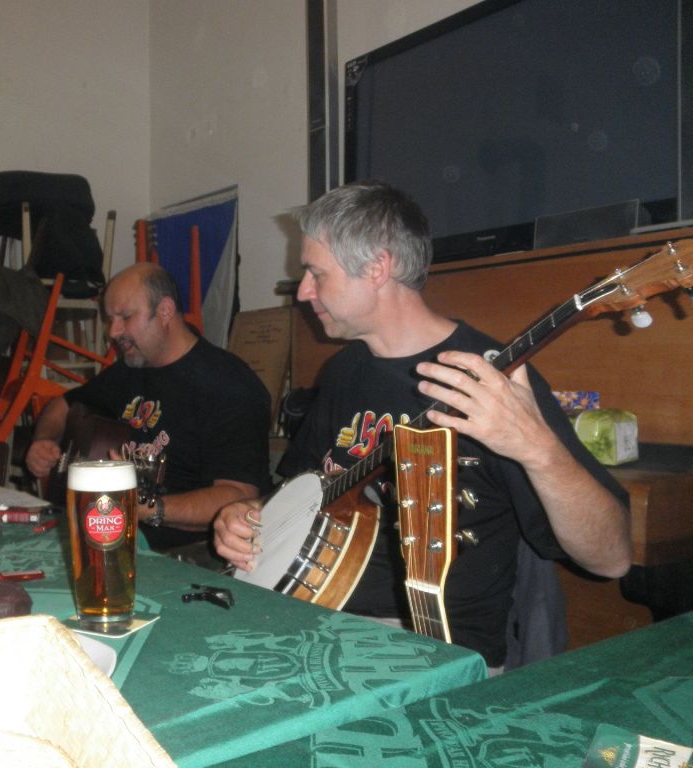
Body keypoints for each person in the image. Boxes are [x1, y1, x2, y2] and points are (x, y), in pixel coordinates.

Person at [213, 181, 631, 668]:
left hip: (433, 651)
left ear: (377, 267)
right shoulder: (344, 370)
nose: (303, 291)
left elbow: (611, 558)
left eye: (315, 273)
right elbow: (305, 491)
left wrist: (537, 449)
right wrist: (250, 516)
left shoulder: (492, 383)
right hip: (312, 619)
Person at [25, 262, 272, 562]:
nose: (114, 332)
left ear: (165, 311)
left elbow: (239, 496)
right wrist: (44, 439)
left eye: (125, 317)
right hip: (116, 535)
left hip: (189, 555)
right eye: (110, 319)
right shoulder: (131, 370)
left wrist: (146, 508)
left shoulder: (229, 385)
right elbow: (63, 404)